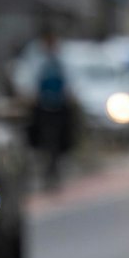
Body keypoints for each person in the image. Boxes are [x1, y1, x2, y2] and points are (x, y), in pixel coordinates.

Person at [28, 36, 74, 187]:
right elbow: (33, 85)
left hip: (58, 108)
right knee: (44, 138)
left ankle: (55, 168)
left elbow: (68, 85)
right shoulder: (38, 64)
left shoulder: (61, 63)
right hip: (44, 108)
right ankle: (47, 168)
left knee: (58, 138)